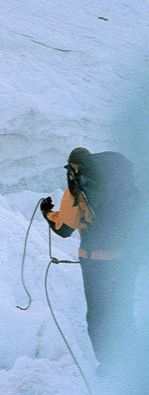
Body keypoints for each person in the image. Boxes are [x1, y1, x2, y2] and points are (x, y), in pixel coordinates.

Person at [41, 147, 141, 364]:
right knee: (123, 311)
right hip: (126, 258)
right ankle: (134, 365)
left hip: (97, 260)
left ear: (73, 166)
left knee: (98, 318)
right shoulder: (121, 181)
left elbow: (65, 228)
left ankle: (109, 368)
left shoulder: (78, 186)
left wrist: (47, 213)